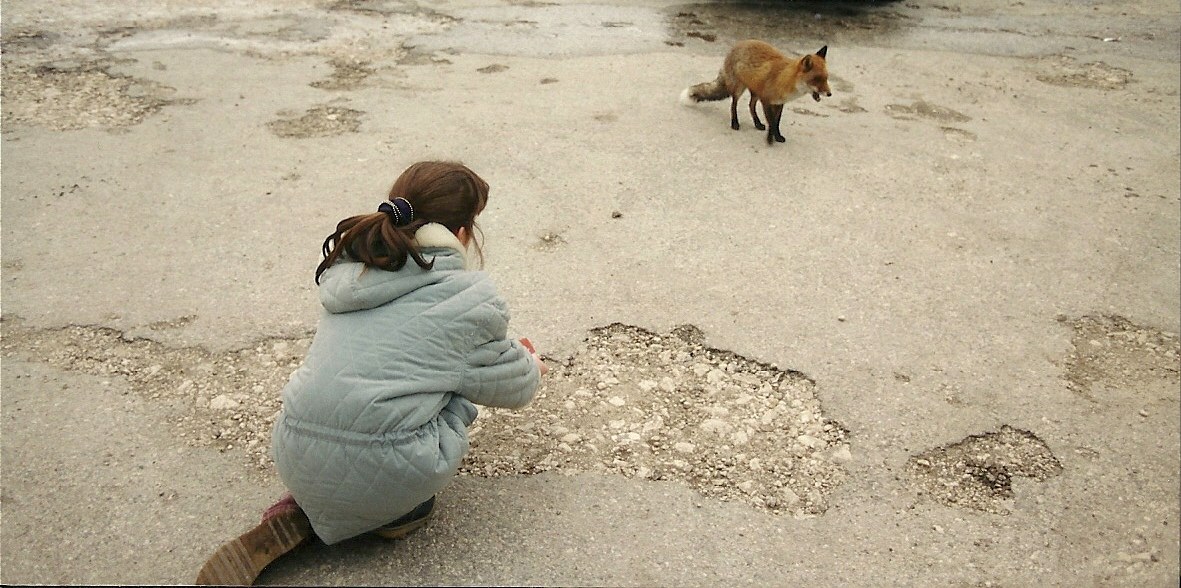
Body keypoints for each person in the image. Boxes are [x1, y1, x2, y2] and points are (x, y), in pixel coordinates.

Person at [195, 161, 546, 585]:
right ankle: (392, 511)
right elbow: (515, 387)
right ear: (462, 233)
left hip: (293, 446)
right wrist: (527, 361)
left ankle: (318, 500)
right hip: (393, 469)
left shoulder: (354, 269)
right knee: (458, 380)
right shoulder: (466, 296)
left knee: (410, 372)